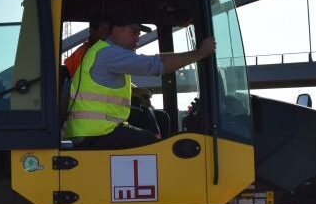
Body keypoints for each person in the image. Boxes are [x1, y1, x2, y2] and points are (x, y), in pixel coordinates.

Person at [63, 22, 216, 148]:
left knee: (159, 119)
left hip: (93, 131)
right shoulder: (109, 53)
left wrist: (135, 92)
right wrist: (200, 53)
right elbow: (156, 64)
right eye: (134, 32)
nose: (138, 39)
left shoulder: (103, 51)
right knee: (153, 145)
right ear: (116, 29)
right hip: (95, 134)